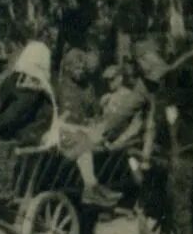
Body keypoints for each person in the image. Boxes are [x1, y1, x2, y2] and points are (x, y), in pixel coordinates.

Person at [62, 39, 168, 209]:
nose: (139, 68)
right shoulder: (144, 85)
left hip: (172, 133)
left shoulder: (174, 76)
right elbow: (125, 111)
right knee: (136, 158)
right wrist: (102, 130)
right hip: (150, 133)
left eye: (140, 62)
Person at [56, 48, 100, 126]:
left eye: (83, 68)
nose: (81, 72)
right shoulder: (59, 87)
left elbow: (94, 112)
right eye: (77, 68)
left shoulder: (87, 87)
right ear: (67, 67)